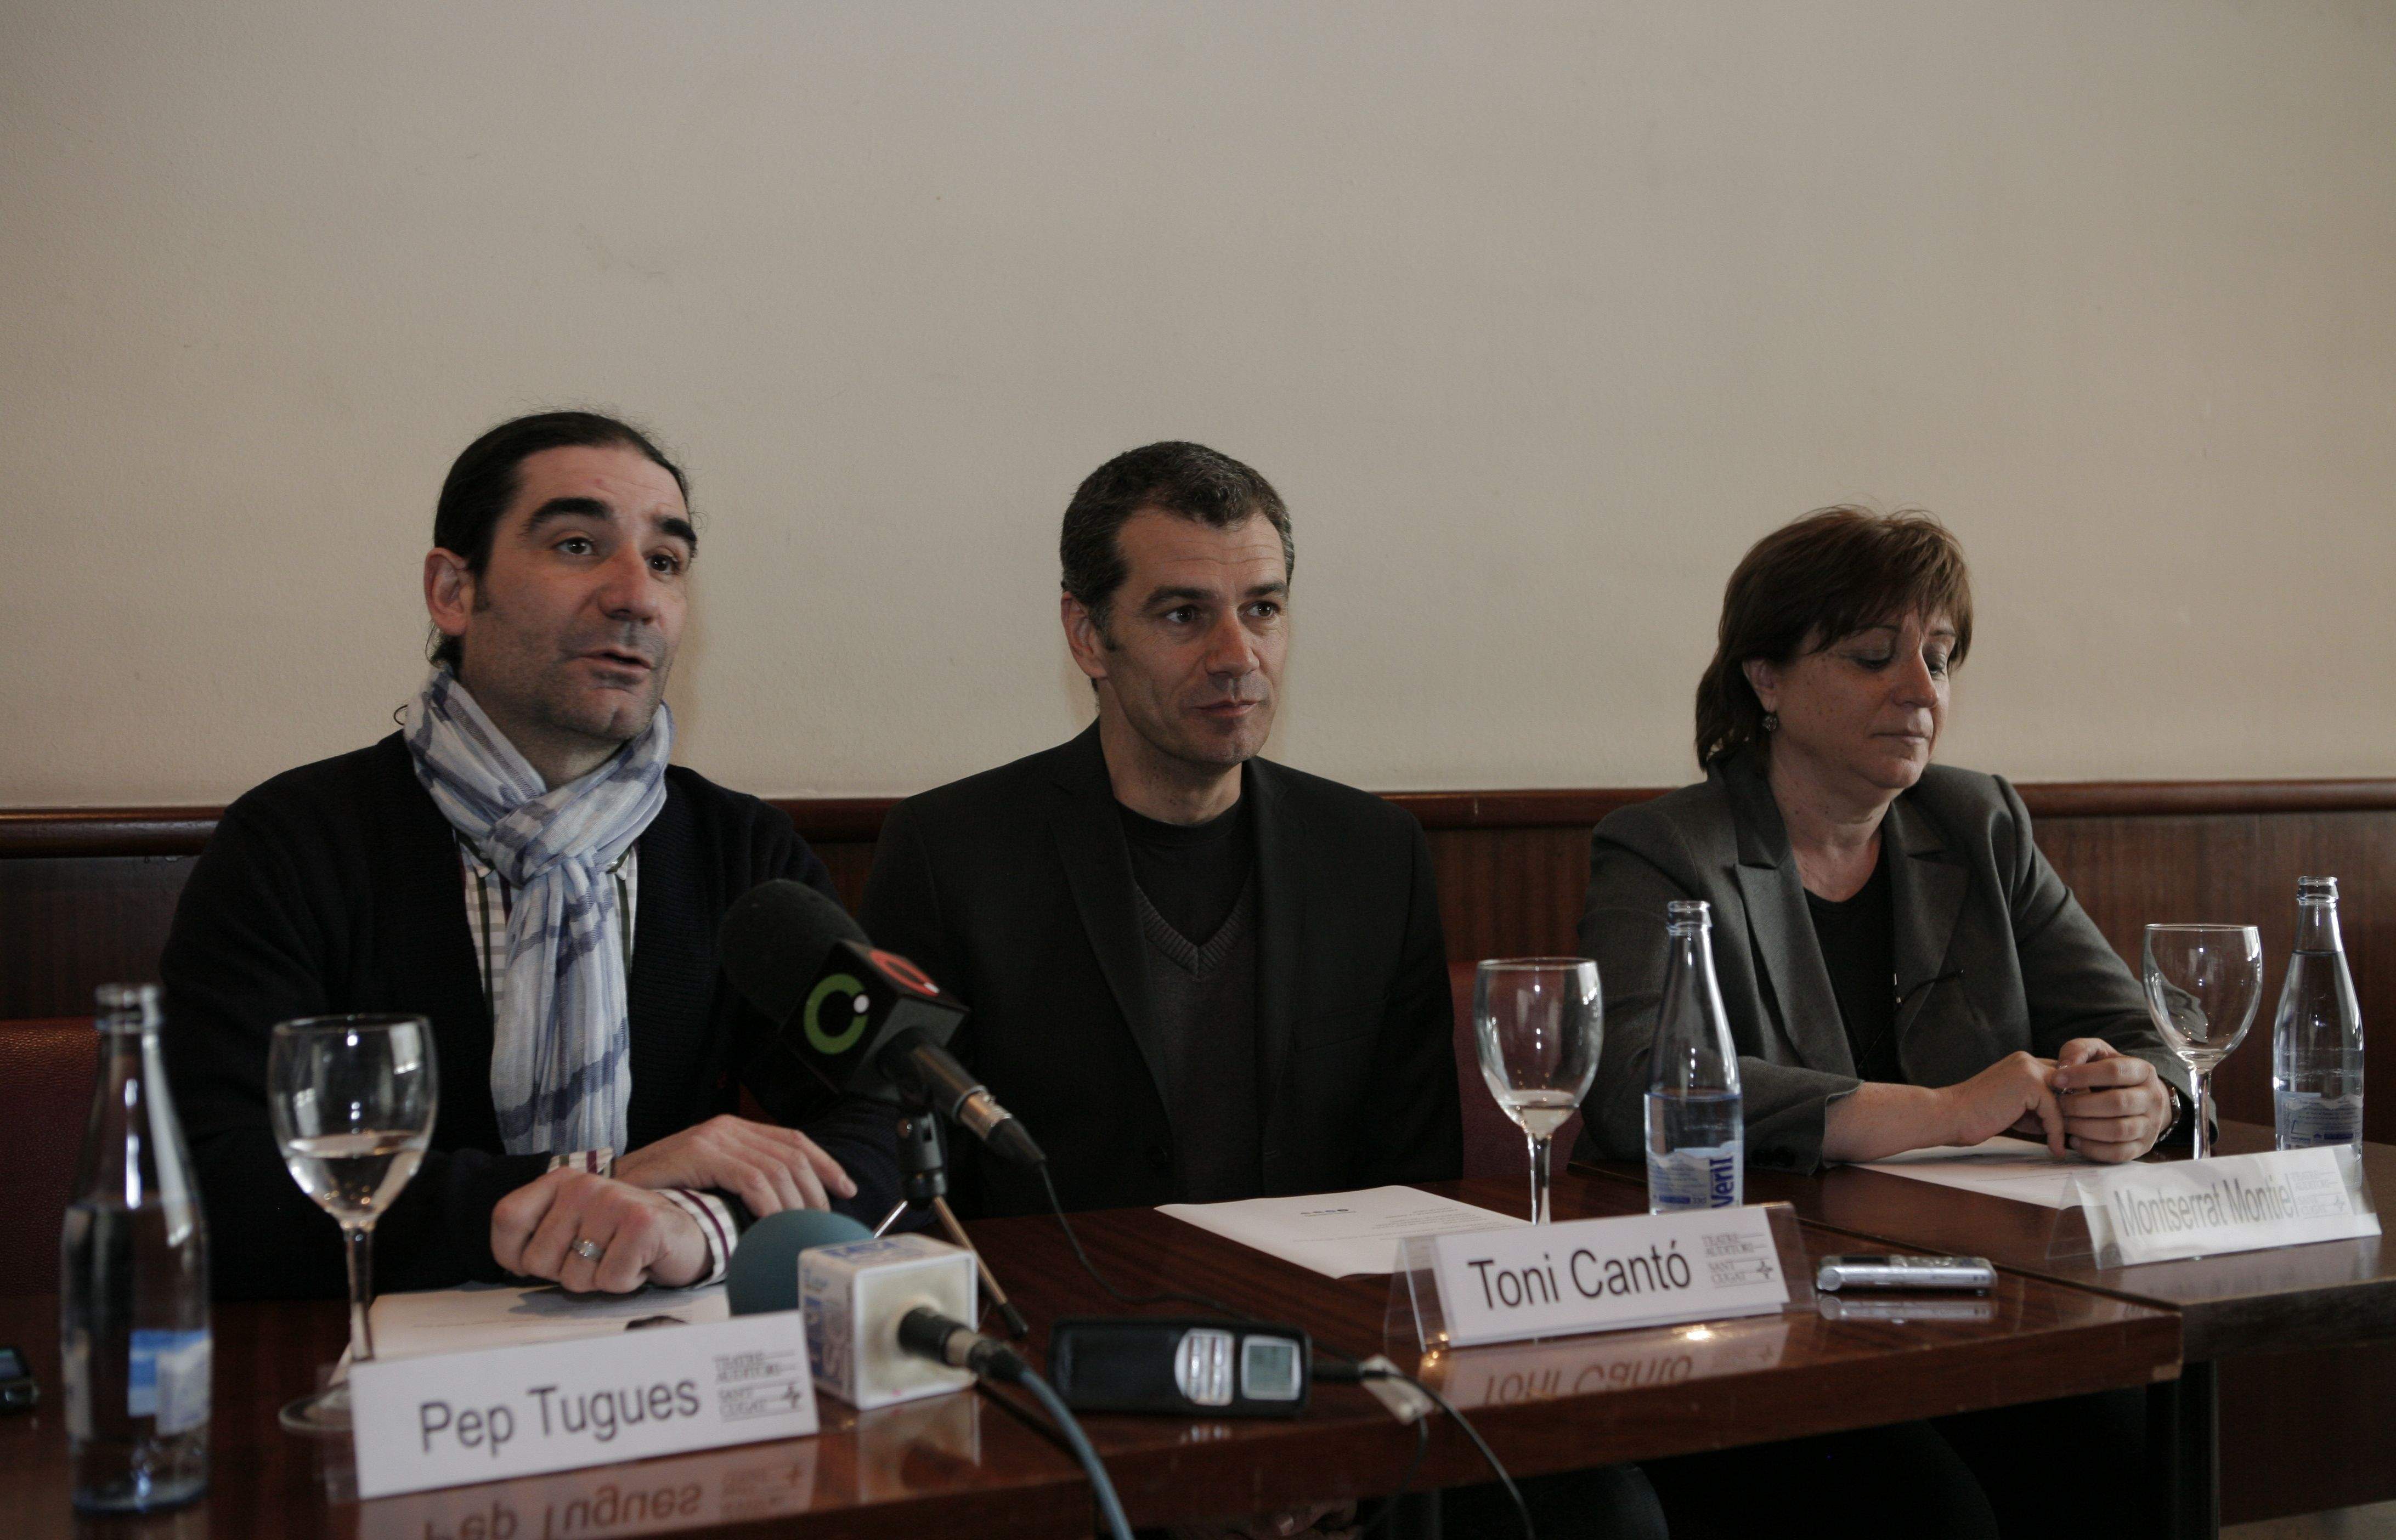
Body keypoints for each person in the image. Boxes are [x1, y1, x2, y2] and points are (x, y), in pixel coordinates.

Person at [862, 441, 1660, 1540]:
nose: (1240, 655)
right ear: (1088, 636)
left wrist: (1336, 1429)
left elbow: (1409, 1178)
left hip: (1328, 1363)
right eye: (1185, 614)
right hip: (1074, 1385)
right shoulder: (955, 850)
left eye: (1266, 609)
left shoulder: (1371, 851)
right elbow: (925, 1204)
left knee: (1607, 1506)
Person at [162, 411, 896, 1302]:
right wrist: (597, 1185)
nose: (636, 595)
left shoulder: (742, 851)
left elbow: (887, 1120)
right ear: (452, 592)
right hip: (373, 1380)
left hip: (671, 1372)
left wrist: (694, 1227)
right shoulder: (297, 843)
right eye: (580, 545)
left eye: (665, 562)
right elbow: (223, 1174)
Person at [1579, 505, 2180, 1537]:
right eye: (1872, 657)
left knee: (2132, 1452)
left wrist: (2137, 1093)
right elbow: (1631, 1083)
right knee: (1927, 1512)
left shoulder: (1978, 822)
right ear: (1764, 680)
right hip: (1763, 1315)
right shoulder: (1667, 848)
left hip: (1972, 1295)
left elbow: (2142, 1033)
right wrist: (1947, 1110)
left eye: (1940, 661)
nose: (1920, 693)